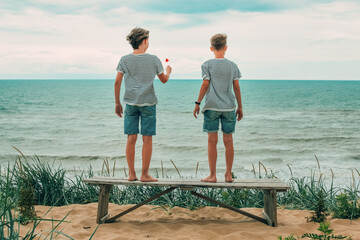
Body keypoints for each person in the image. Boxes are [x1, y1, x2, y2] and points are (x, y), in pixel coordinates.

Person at [114, 27, 172, 182]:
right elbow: (164, 79)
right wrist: (168, 71)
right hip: (148, 103)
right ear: (144, 41)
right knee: (147, 139)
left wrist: (117, 103)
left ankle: (132, 174)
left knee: (130, 139)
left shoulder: (124, 59)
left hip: (130, 104)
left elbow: (117, 82)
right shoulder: (153, 59)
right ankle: (145, 174)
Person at [193, 33, 243, 183]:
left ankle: (213, 175)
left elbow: (205, 84)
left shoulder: (207, 65)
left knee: (212, 141)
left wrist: (197, 103)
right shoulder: (233, 66)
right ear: (226, 48)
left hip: (212, 107)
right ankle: (228, 174)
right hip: (228, 108)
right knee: (228, 140)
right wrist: (240, 106)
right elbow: (236, 87)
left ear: (211, 48)